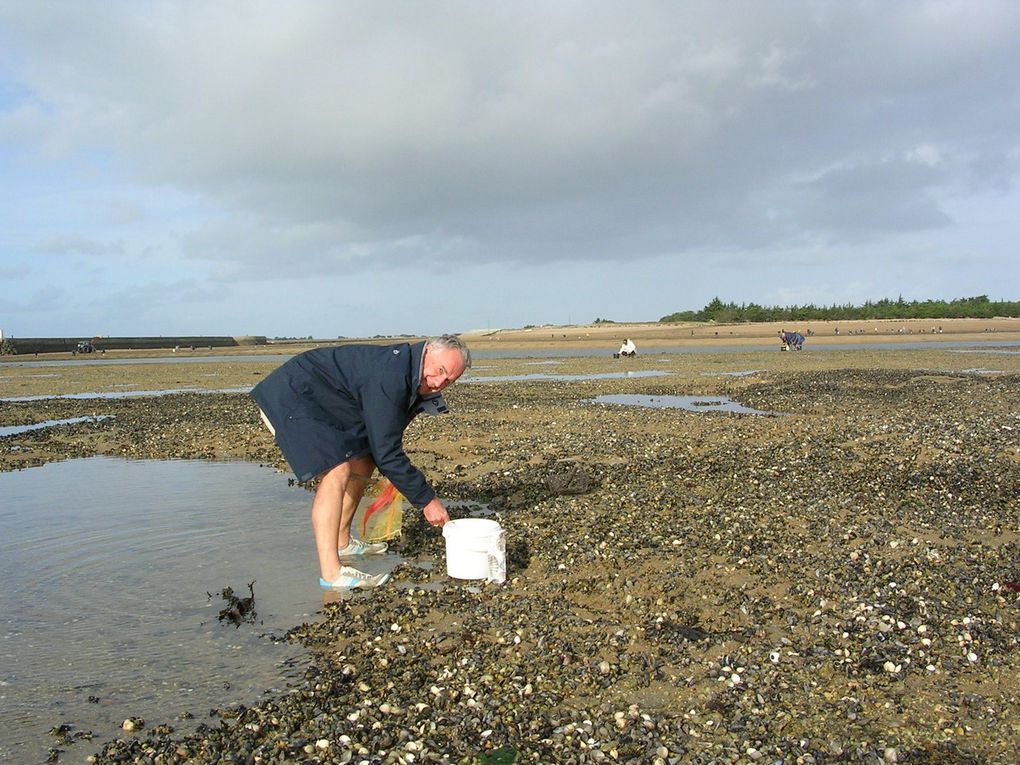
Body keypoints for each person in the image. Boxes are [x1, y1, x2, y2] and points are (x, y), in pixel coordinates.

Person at [250, 335, 471, 589]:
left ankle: (342, 542)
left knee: (363, 460)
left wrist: (402, 477)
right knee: (337, 469)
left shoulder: (413, 376)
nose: (439, 383)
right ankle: (332, 574)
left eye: (449, 381)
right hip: (291, 394)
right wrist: (426, 500)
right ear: (428, 350)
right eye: (440, 370)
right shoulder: (391, 374)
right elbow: (388, 453)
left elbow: (382, 444)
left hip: (328, 401)